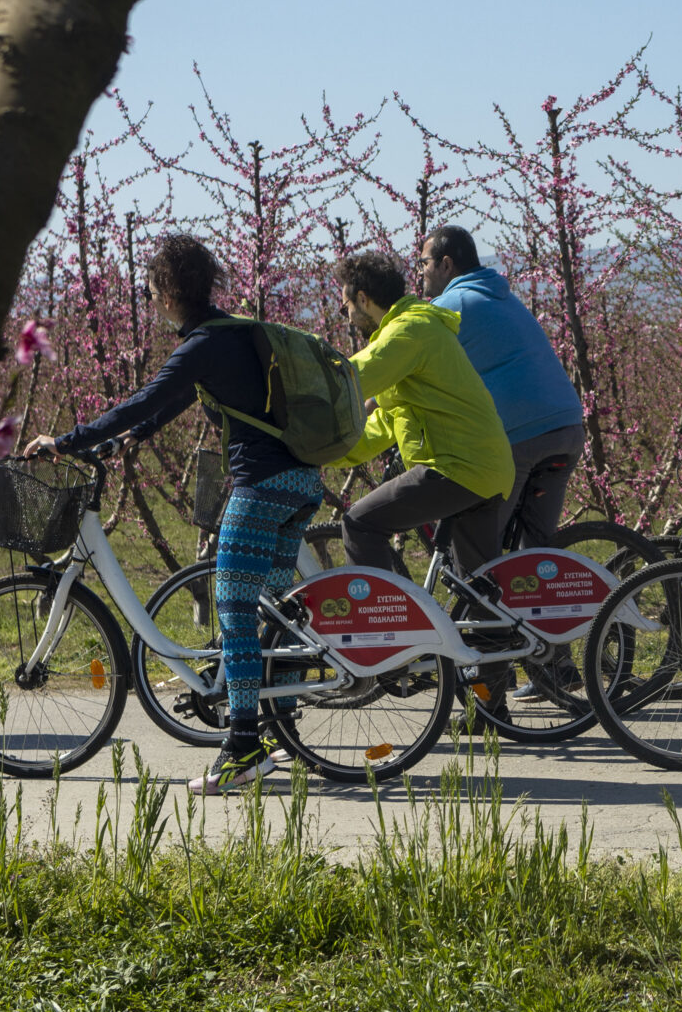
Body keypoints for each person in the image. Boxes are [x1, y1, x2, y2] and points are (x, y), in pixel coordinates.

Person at [31, 235, 321, 795]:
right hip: (303, 483)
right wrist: (132, 440)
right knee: (275, 614)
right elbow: (179, 400)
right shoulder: (233, 334)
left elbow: (147, 396)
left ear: (167, 290)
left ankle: (241, 747)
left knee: (233, 607)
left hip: (262, 486)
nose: (152, 297)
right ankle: (280, 730)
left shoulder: (200, 346)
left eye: (152, 287)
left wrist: (66, 441)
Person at [335, 251, 516, 582]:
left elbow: (349, 379)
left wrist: (300, 396)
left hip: (456, 467)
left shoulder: (408, 331)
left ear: (363, 299)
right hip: (487, 467)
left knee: (359, 522)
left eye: (346, 306)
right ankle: (498, 635)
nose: (347, 318)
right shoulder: (419, 330)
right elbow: (386, 422)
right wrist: (329, 451)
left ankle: (381, 628)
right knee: (477, 589)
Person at [419, 225, 587, 548]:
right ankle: (545, 594)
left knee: (474, 550)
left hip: (520, 436)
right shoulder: (504, 296)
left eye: (423, 262)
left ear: (446, 264)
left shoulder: (451, 305)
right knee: (535, 555)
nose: (421, 272)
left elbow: (408, 358)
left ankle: (478, 594)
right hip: (567, 427)